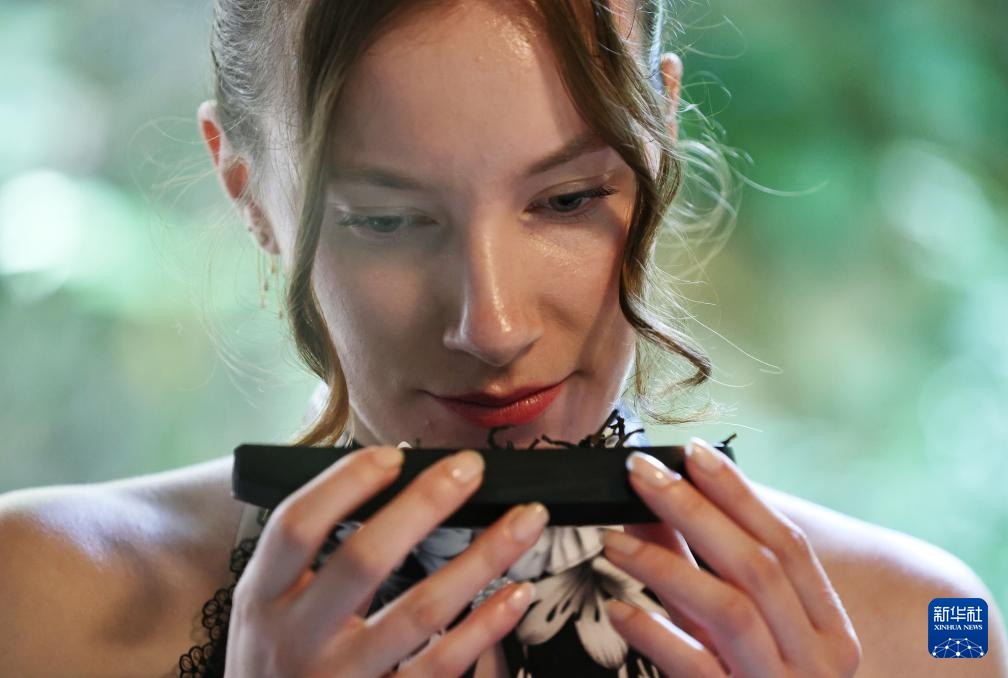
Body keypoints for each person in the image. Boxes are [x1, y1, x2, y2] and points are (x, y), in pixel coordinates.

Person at [1, 0, 1005, 676]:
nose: (491, 326)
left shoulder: (931, 628)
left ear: (661, 130)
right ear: (247, 188)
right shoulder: (37, 599)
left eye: (567, 199)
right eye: (386, 219)